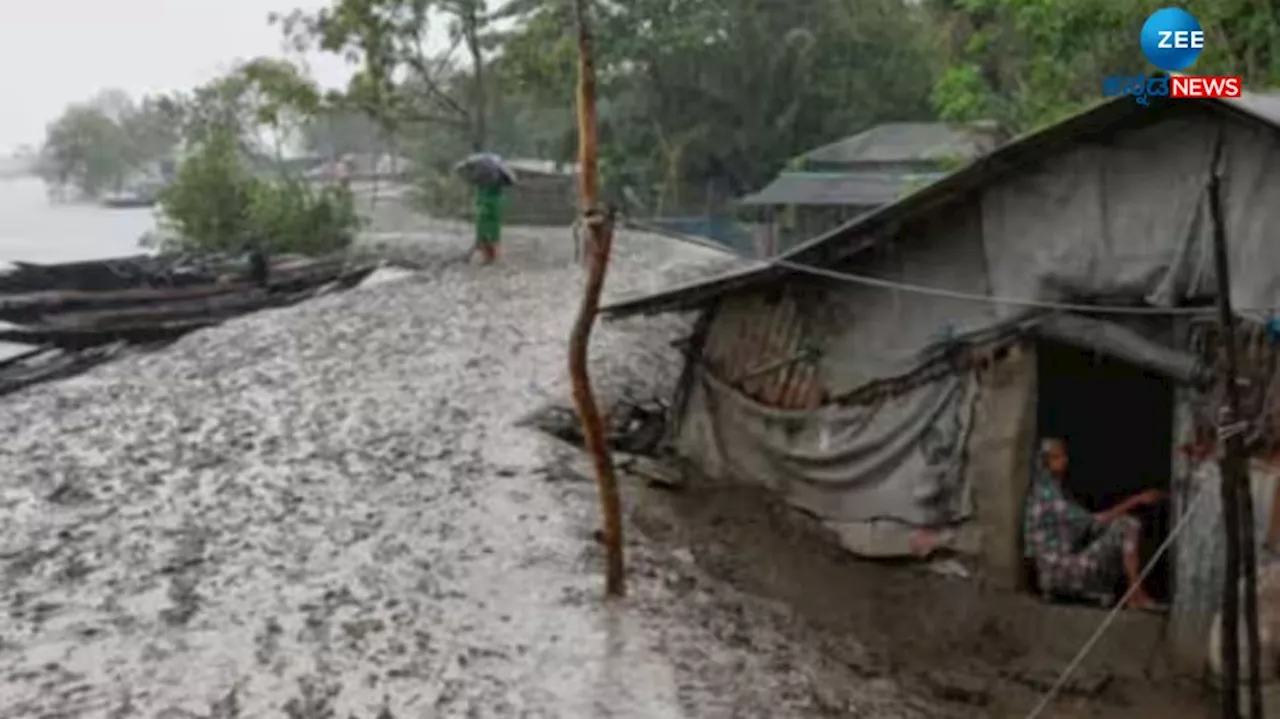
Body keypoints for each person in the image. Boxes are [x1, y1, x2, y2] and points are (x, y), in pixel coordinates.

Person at [1024, 437, 1166, 609]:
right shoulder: (1048, 497)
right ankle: (1136, 594)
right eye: (1057, 457)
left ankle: (1132, 593)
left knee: (1115, 530)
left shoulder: (1046, 490)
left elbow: (1087, 527)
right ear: (1045, 461)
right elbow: (1096, 520)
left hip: (1054, 574)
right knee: (1127, 525)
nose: (1065, 460)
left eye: (1063, 455)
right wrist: (1138, 500)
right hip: (1063, 574)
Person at [473, 181, 505, 264]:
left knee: (488, 235)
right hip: (489, 212)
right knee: (489, 235)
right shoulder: (488, 186)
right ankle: (489, 255)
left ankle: (490, 256)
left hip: (489, 211)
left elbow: (480, 200)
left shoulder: (486, 186)